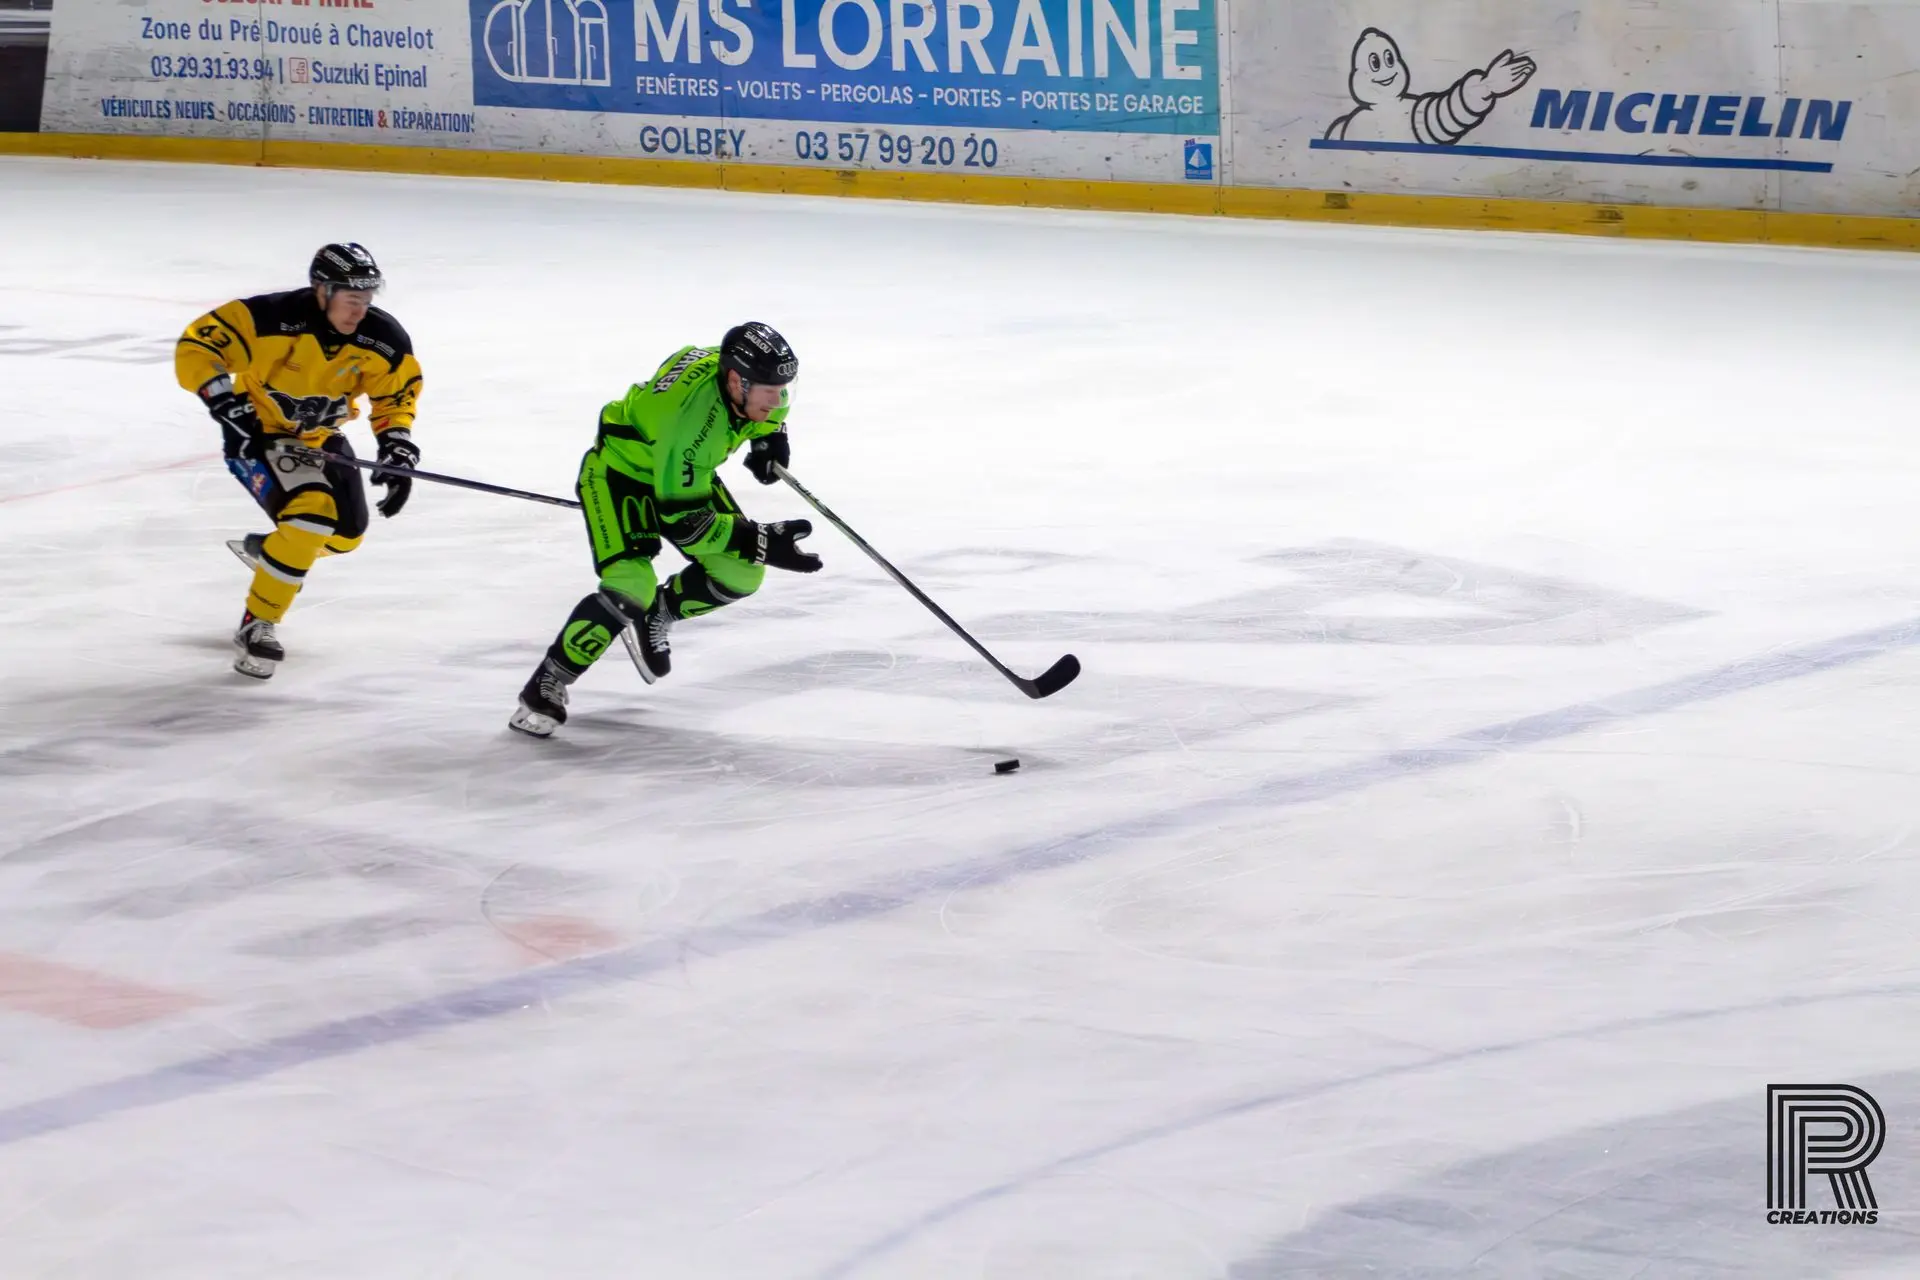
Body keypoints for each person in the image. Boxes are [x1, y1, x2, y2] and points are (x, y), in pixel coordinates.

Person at [510, 322, 821, 737]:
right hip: (621, 476)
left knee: (741, 574)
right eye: (768, 392)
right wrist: (759, 540)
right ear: (736, 382)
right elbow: (688, 525)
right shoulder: (691, 428)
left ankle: (660, 611)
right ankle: (547, 682)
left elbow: (767, 409)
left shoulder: (735, 372)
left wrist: (768, 436)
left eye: (784, 390)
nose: (778, 401)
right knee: (631, 586)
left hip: (675, 472)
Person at [175, 243, 424, 678]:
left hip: (322, 439)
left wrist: (396, 444)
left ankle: (274, 554)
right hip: (260, 437)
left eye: (367, 299)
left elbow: (395, 397)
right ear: (322, 290)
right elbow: (197, 346)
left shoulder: (384, 338)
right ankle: (258, 624)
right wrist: (226, 405)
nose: (360, 310)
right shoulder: (269, 318)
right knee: (311, 517)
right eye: (351, 299)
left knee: (345, 536)